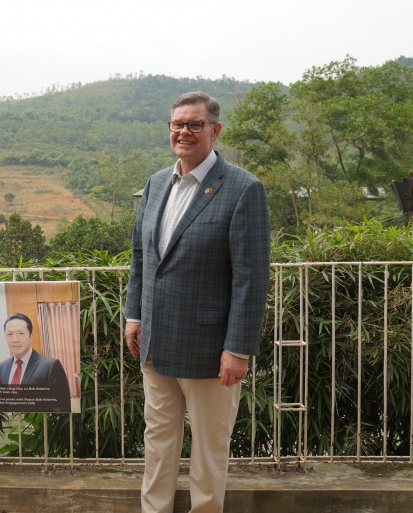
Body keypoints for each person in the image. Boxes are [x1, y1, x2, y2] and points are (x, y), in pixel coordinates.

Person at [124, 92, 271, 512]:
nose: (183, 132)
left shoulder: (243, 189)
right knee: (158, 441)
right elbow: (141, 257)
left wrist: (238, 349)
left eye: (194, 125)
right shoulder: (155, 184)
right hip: (154, 342)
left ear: (215, 130)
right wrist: (134, 315)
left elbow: (250, 278)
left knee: (209, 449)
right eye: (177, 125)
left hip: (211, 350)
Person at [0, 312, 71, 412]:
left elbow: (62, 406)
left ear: (31, 336)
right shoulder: (3, 366)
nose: (15, 339)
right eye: (10, 334)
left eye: (21, 333)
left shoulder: (50, 366)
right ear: (5, 337)